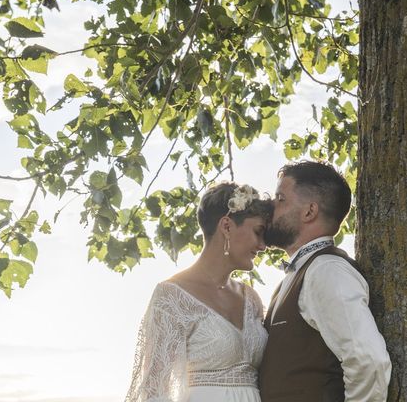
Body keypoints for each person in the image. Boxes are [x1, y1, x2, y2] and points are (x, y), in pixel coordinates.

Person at [125, 182, 273, 402]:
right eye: (258, 232)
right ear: (227, 226)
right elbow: (155, 390)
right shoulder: (172, 296)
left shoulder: (250, 298)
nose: (263, 246)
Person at [260, 161, 391, 402]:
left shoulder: (327, 271)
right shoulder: (297, 275)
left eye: (280, 199)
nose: (270, 207)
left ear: (309, 212)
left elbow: (369, 361)